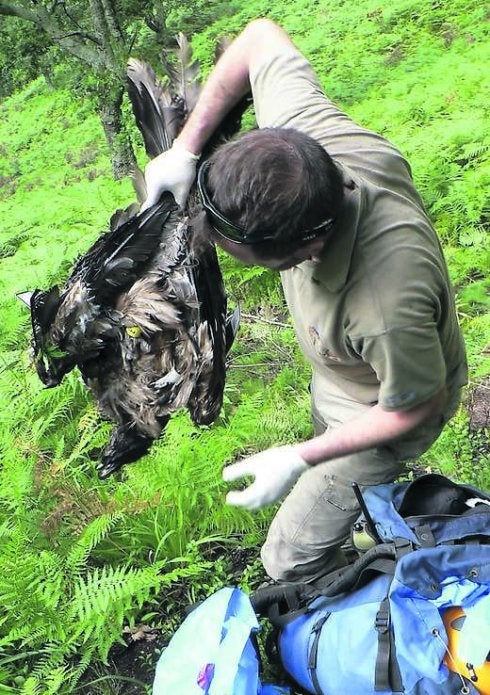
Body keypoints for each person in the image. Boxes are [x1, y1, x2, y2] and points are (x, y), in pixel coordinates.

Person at [144, 19, 468, 583]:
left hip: (386, 406)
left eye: (236, 251)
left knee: (287, 558)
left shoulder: (386, 302)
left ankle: (346, 616)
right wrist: (184, 149)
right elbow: (260, 38)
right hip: (341, 372)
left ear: (305, 249)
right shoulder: (302, 149)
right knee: (328, 460)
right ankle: (366, 512)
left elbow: (413, 404)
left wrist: (299, 457)